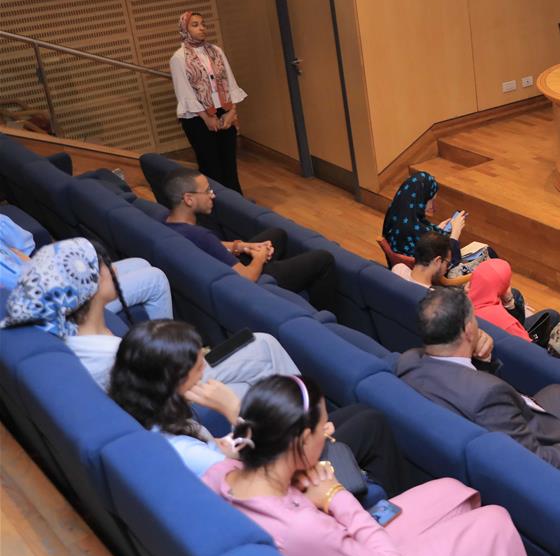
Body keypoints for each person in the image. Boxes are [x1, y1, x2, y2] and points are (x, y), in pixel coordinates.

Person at [202, 375, 560, 556]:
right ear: (299, 441)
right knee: (494, 522)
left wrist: (298, 487)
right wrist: (335, 495)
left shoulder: (223, 472)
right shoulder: (300, 530)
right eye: (322, 426)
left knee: (452, 492)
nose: (329, 430)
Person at [396, 287, 560, 484]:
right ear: (467, 330)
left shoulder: (409, 361)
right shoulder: (487, 395)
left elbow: (468, 391)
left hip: (511, 428)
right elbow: (530, 461)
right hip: (541, 464)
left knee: (559, 394)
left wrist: (483, 362)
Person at [110, 324, 407, 495]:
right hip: (276, 479)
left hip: (252, 455)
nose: (204, 371)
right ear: (174, 379)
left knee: (359, 413)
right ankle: (385, 505)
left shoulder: (149, 413)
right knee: (372, 423)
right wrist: (234, 411)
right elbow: (257, 480)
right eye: (198, 365)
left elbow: (222, 450)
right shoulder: (188, 453)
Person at [1, 238, 298, 395]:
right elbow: (162, 394)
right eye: (103, 265)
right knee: (264, 343)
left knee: (252, 373)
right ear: (88, 286)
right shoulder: (111, 355)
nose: (113, 269)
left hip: (166, 381)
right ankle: (312, 428)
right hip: (174, 392)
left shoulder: (75, 332)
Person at [162, 168, 337, 311]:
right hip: (242, 288)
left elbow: (211, 246)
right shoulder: (201, 236)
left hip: (221, 273)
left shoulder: (169, 224)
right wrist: (259, 257)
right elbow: (247, 278)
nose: (212, 195)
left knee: (277, 234)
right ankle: (323, 318)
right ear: (189, 199)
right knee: (323, 258)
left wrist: (244, 246)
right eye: (207, 191)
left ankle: (286, 291)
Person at [0, 215, 172, 321]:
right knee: (156, 278)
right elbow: (31, 286)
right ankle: (170, 356)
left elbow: (25, 245)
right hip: (63, 308)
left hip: (57, 286)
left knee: (140, 263)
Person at [170, 11, 245, 194]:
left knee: (229, 164)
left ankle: (236, 204)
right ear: (184, 29)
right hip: (197, 118)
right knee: (210, 166)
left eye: (203, 24)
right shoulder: (178, 58)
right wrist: (206, 118)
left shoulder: (216, 51)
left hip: (223, 111)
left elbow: (230, 81)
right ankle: (213, 205)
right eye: (195, 25)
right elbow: (184, 93)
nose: (201, 28)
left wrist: (232, 111)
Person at [467, 258, 560, 346]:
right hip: (516, 348)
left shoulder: (462, 301)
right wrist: (509, 302)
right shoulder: (506, 323)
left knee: (516, 295)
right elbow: (529, 350)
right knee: (553, 316)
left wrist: (509, 303)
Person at [382, 171, 466, 260]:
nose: (433, 206)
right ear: (420, 199)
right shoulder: (413, 228)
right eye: (431, 200)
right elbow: (450, 261)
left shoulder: (398, 214)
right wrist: (455, 233)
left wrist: (436, 231)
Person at [390, 230, 469, 289]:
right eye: (447, 264)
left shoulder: (398, 269)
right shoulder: (434, 298)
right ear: (438, 261)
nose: (446, 270)